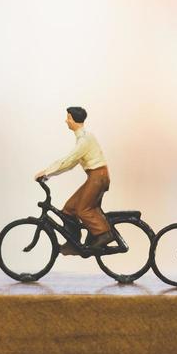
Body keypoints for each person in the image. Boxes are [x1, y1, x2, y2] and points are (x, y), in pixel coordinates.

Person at [35, 106, 113, 253]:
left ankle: (105, 234)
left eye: (68, 117)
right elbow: (70, 163)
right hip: (96, 176)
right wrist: (49, 174)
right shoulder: (83, 137)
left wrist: (46, 171)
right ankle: (73, 243)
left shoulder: (84, 140)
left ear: (74, 119)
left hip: (98, 177)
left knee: (83, 210)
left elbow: (69, 160)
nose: (66, 121)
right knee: (68, 210)